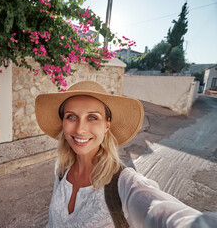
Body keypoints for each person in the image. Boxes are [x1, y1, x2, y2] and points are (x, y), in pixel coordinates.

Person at [35, 80, 216, 228]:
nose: (80, 129)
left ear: (107, 125)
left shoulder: (125, 185)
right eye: (71, 116)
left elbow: (163, 214)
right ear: (63, 122)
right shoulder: (61, 167)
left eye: (92, 117)